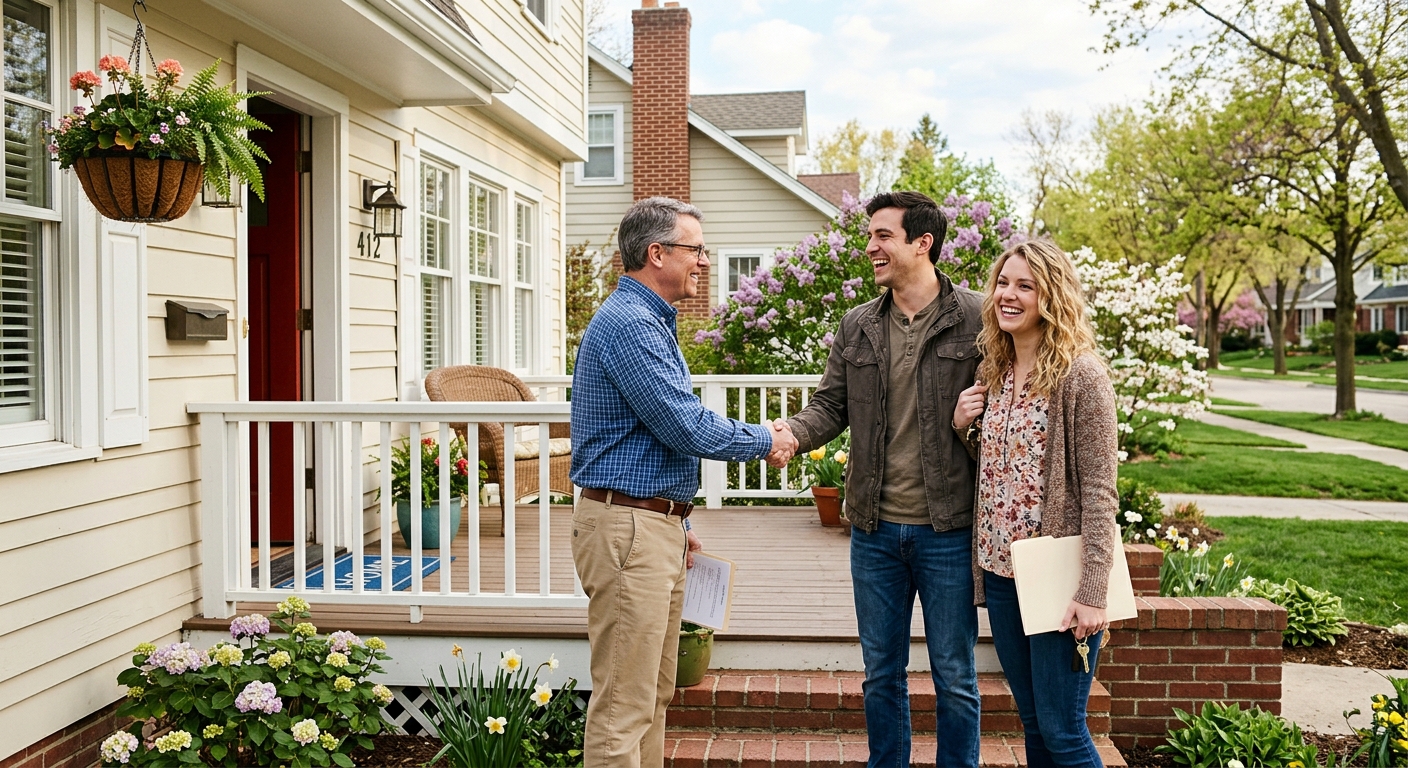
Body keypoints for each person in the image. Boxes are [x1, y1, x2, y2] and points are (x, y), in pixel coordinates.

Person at [569, 196, 797, 768]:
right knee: (624, 703)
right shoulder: (629, 325)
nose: (703, 260)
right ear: (656, 253)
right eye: (695, 249)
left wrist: (681, 518)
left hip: (651, 524)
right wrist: (765, 440)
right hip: (629, 532)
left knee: (653, 693)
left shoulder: (649, 321)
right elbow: (683, 423)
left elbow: (651, 438)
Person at [774, 191, 983, 767]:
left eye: (883, 236)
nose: (870, 247)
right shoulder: (859, 324)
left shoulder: (978, 317)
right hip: (874, 532)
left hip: (948, 529)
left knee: (956, 676)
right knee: (881, 674)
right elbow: (829, 405)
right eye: (870, 236)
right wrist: (788, 434)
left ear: (923, 243)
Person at [952, 239, 1119, 767]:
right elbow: (998, 464)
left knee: (1064, 730)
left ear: (1053, 296)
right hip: (1003, 573)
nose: (1008, 294)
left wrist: (1093, 591)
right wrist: (963, 427)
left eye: (1025, 285)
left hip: (1057, 579)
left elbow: (1099, 490)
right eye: (1003, 282)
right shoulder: (992, 373)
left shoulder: (1081, 376)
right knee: (1034, 724)